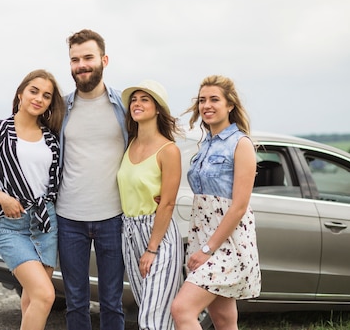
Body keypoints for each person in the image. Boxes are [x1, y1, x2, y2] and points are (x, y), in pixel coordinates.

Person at [0, 69, 65, 330]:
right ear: (20, 93)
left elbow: (54, 183)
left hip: (45, 223)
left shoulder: (51, 138)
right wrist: (2, 198)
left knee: (33, 298)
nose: (39, 99)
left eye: (46, 96)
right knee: (46, 295)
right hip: (11, 225)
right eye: (34, 91)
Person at [171, 75, 261, 330]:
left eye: (214, 99)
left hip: (227, 243)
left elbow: (239, 206)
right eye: (202, 100)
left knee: (182, 309)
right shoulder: (206, 144)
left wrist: (208, 249)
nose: (206, 105)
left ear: (230, 105)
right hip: (204, 236)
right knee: (223, 320)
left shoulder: (240, 144)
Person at [56, 29, 128, 330]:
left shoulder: (125, 108)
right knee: (76, 302)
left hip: (113, 216)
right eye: (75, 59)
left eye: (88, 57)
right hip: (68, 218)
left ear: (104, 60)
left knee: (112, 301)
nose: (81, 65)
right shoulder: (59, 108)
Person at [117, 80, 184, 330]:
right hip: (129, 233)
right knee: (149, 307)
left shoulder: (169, 150)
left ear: (158, 109)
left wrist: (152, 248)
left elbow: (167, 203)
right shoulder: (129, 144)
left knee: (151, 319)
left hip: (158, 236)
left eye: (145, 99)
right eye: (134, 99)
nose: (137, 103)